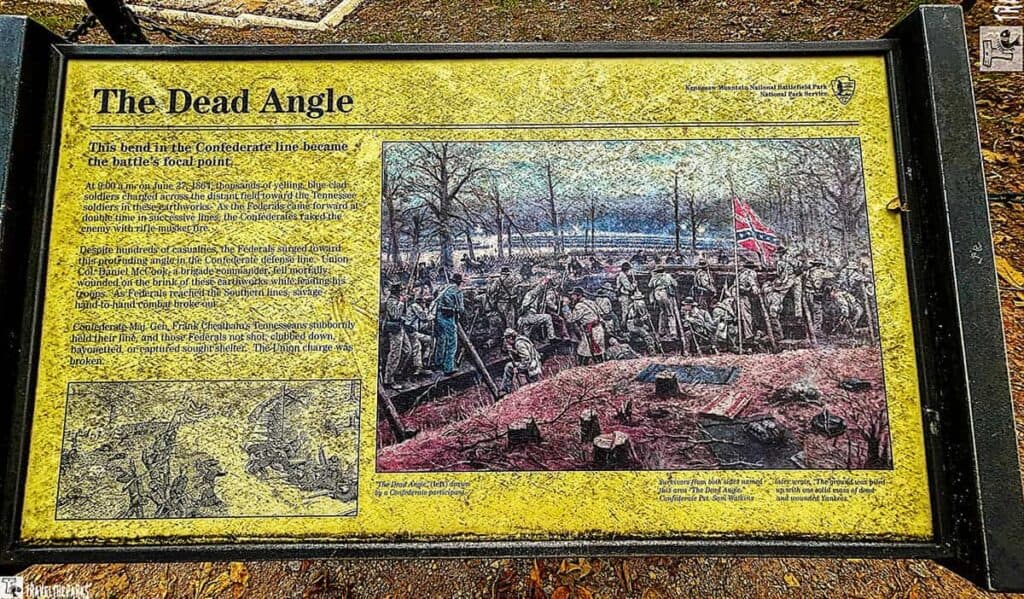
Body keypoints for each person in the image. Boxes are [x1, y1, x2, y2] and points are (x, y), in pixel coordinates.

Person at [430, 273, 465, 375]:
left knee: (441, 340)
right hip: (448, 317)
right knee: (452, 343)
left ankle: (438, 362)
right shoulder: (457, 291)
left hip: (438, 316)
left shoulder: (443, 287)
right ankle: (448, 368)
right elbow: (461, 309)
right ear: (459, 282)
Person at [382, 283, 411, 390]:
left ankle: (398, 372)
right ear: (397, 292)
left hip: (400, 327)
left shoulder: (397, 300)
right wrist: (402, 302)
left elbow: (402, 314)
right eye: (401, 291)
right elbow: (395, 315)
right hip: (394, 329)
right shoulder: (390, 301)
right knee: (395, 354)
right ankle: (389, 379)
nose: (402, 292)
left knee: (407, 350)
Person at [567, 287, 606, 363]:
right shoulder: (591, 302)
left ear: (579, 295)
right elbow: (601, 313)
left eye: (573, 295)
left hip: (591, 332)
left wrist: (565, 307)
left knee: (583, 353)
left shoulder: (579, 306)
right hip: (598, 329)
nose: (571, 297)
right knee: (597, 353)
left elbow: (570, 319)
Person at [500, 328, 542, 394]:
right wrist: (512, 351)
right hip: (532, 364)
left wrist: (517, 367)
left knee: (508, 366)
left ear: (510, 337)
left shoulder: (519, 344)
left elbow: (527, 360)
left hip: (531, 366)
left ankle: (504, 390)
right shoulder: (519, 340)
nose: (506, 341)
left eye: (506, 338)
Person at [517, 276, 556, 341]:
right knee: (548, 317)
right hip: (529, 316)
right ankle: (551, 337)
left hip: (525, 317)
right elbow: (536, 291)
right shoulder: (531, 293)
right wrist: (543, 283)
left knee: (526, 336)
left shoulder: (530, 295)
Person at [803, 258, 835, 335]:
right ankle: (816, 331)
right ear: (820, 265)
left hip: (806, 293)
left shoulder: (808, 271)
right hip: (814, 294)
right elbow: (831, 275)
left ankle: (809, 331)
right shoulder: (820, 271)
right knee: (817, 312)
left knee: (809, 312)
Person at [406, 292, 435, 376]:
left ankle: (422, 363)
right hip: (411, 331)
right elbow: (424, 318)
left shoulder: (414, 306)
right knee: (427, 342)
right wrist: (430, 313)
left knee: (424, 343)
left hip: (412, 331)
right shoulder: (415, 306)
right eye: (423, 301)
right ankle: (420, 367)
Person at [648, 266, 680, 340]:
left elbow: (649, 285)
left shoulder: (654, 277)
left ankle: (661, 331)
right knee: (670, 313)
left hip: (657, 295)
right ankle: (673, 332)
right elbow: (675, 284)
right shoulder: (667, 276)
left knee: (662, 312)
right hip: (665, 294)